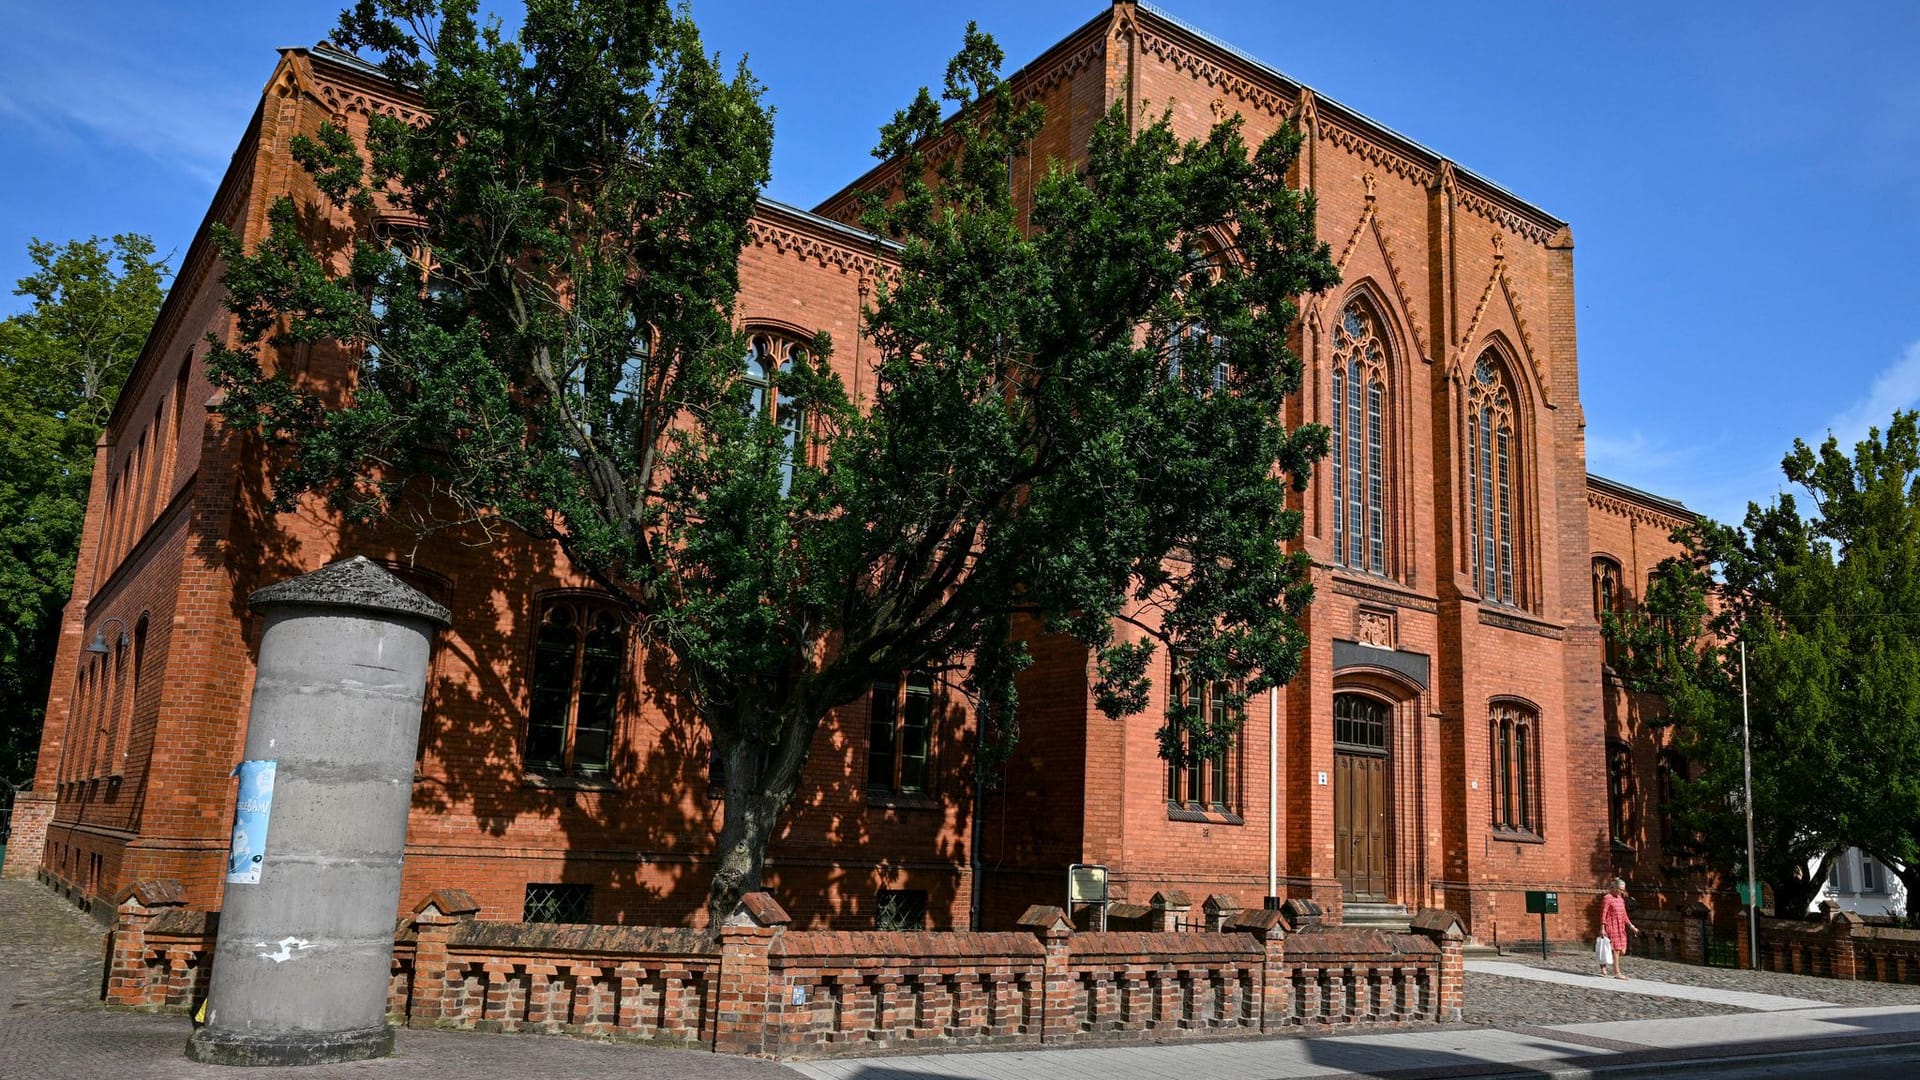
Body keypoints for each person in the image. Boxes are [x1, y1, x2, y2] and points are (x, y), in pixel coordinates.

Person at [1599, 877, 1639, 979]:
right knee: (1616, 949)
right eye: (1619, 889)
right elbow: (1603, 914)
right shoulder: (1607, 898)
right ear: (1614, 887)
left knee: (1622, 951)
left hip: (1620, 927)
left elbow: (1624, 914)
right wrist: (1602, 928)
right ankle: (1617, 972)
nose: (1621, 892)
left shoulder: (1621, 899)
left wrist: (1631, 926)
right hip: (1611, 926)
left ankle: (1603, 963)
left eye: (1622, 890)